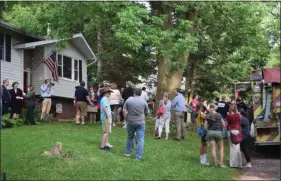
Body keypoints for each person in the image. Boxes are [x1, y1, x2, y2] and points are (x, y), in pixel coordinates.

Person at [123, 89, 149, 160]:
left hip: (130, 121)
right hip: (141, 121)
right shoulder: (143, 101)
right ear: (140, 94)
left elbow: (124, 110)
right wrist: (144, 116)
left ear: (134, 93)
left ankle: (128, 152)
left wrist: (126, 118)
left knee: (130, 137)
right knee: (140, 139)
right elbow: (147, 112)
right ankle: (138, 157)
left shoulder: (128, 100)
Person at [205, 104, 226, 168]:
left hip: (210, 132)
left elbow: (205, 127)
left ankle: (215, 165)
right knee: (221, 148)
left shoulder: (208, 115)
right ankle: (221, 164)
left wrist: (209, 129)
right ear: (215, 108)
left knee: (213, 149)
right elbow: (223, 125)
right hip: (218, 132)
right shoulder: (219, 115)